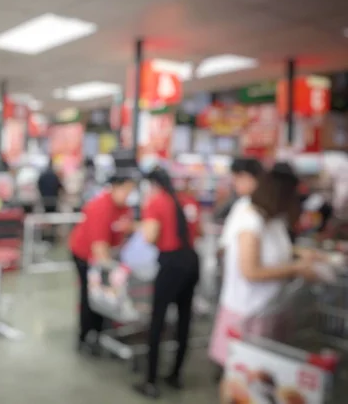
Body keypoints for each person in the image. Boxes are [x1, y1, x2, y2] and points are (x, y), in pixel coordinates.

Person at [209, 167, 320, 400]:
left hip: (270, 308)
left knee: (263, 381)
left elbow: (279, 251)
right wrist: (296, 268)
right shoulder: (250, 221)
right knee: (240, 379)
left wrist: (301, 255)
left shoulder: (273, 220)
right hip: (247, 311)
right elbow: (250, 270)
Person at [133, 168, 201, 399]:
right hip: (192, 261)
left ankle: (150, 380)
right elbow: (196, 231)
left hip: (171, 264)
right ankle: (175, 374)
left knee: (157, 321)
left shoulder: (156, 202)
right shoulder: (187, 200)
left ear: (152, 184)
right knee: (184, 321)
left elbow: (150, 236)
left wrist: (142, 225)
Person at [69, 175, 135, 355]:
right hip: (85, 254)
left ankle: (100, 332)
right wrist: (114, 273)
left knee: (104, 297)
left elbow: (126, 229)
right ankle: (85, 336)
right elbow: (99, 248)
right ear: (114, 187)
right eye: (125, 190)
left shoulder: (124, 208)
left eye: (130, 191)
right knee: (90, 295)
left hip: (106, 255)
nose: (128, 195)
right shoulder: (99, 207)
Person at [214, 157, 263, 223]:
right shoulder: (243, 201)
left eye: (237, 178)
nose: (234, 183)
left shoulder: (254, 206)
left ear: (250, 177)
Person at [38, 159, 63, 242]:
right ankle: (52, 237)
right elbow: (60, 187)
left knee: (45, 218)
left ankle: (45, 236)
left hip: (44, 200)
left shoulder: (42, 175)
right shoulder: (54, 176)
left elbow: (38, 185)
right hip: (54, 200)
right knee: (53, 218)